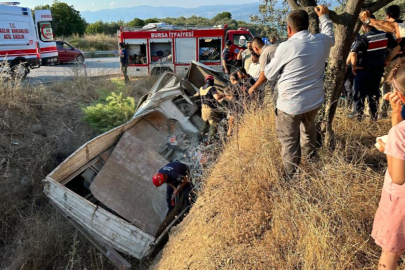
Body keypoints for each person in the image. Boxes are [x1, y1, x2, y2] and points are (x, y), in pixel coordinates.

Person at [264, 5, 334, 179]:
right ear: (308, 26)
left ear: (288, 29)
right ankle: (312, 168)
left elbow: (270, 74)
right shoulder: (321, 41)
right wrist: (324, 17)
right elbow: (330, 36)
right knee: (309, 134)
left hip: (289, 105)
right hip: (313, 102)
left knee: (289, 143)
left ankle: (291, 178)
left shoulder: (286, 47)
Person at [371, 59, 405, 270]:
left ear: (401, 94)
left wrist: (386, 150)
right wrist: (395, 112)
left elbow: (398, 176)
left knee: (390, 250)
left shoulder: (399, 134)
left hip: (400, 203)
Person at [350, 19, 399, 121]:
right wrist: (387, 59)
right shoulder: (385, 35)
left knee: (359, 95)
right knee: (374, 95)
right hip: (377, 70)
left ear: (365, 26)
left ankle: (358, 118)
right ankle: (374, 118)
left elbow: (353, 53)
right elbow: (396, 48)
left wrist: (353, 66)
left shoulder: (363, 38)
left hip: (362, 70)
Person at [381, 5, 405, 118]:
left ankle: (386, 111)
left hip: (394, 62)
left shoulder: (389, 29)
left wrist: (387, 60)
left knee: (388, 87)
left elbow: (397, 47)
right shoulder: (403, 25)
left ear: (387, 15)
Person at [248, 37, 279, 105]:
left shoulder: (264, 55)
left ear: (255, 48)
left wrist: (253, 88)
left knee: (270, 103)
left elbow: (264, 75)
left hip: (277, 85)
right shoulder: (274, 47)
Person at [194, 75, 223, 143]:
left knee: (205, 124)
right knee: (213, 125)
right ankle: (210, 141)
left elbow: (196, 95)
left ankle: (198, 138)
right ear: (212, 81)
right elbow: (217, 97)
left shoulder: (201, 88)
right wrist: (223, 95)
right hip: (210, 110)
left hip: (203, 110)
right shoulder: (212, 88)